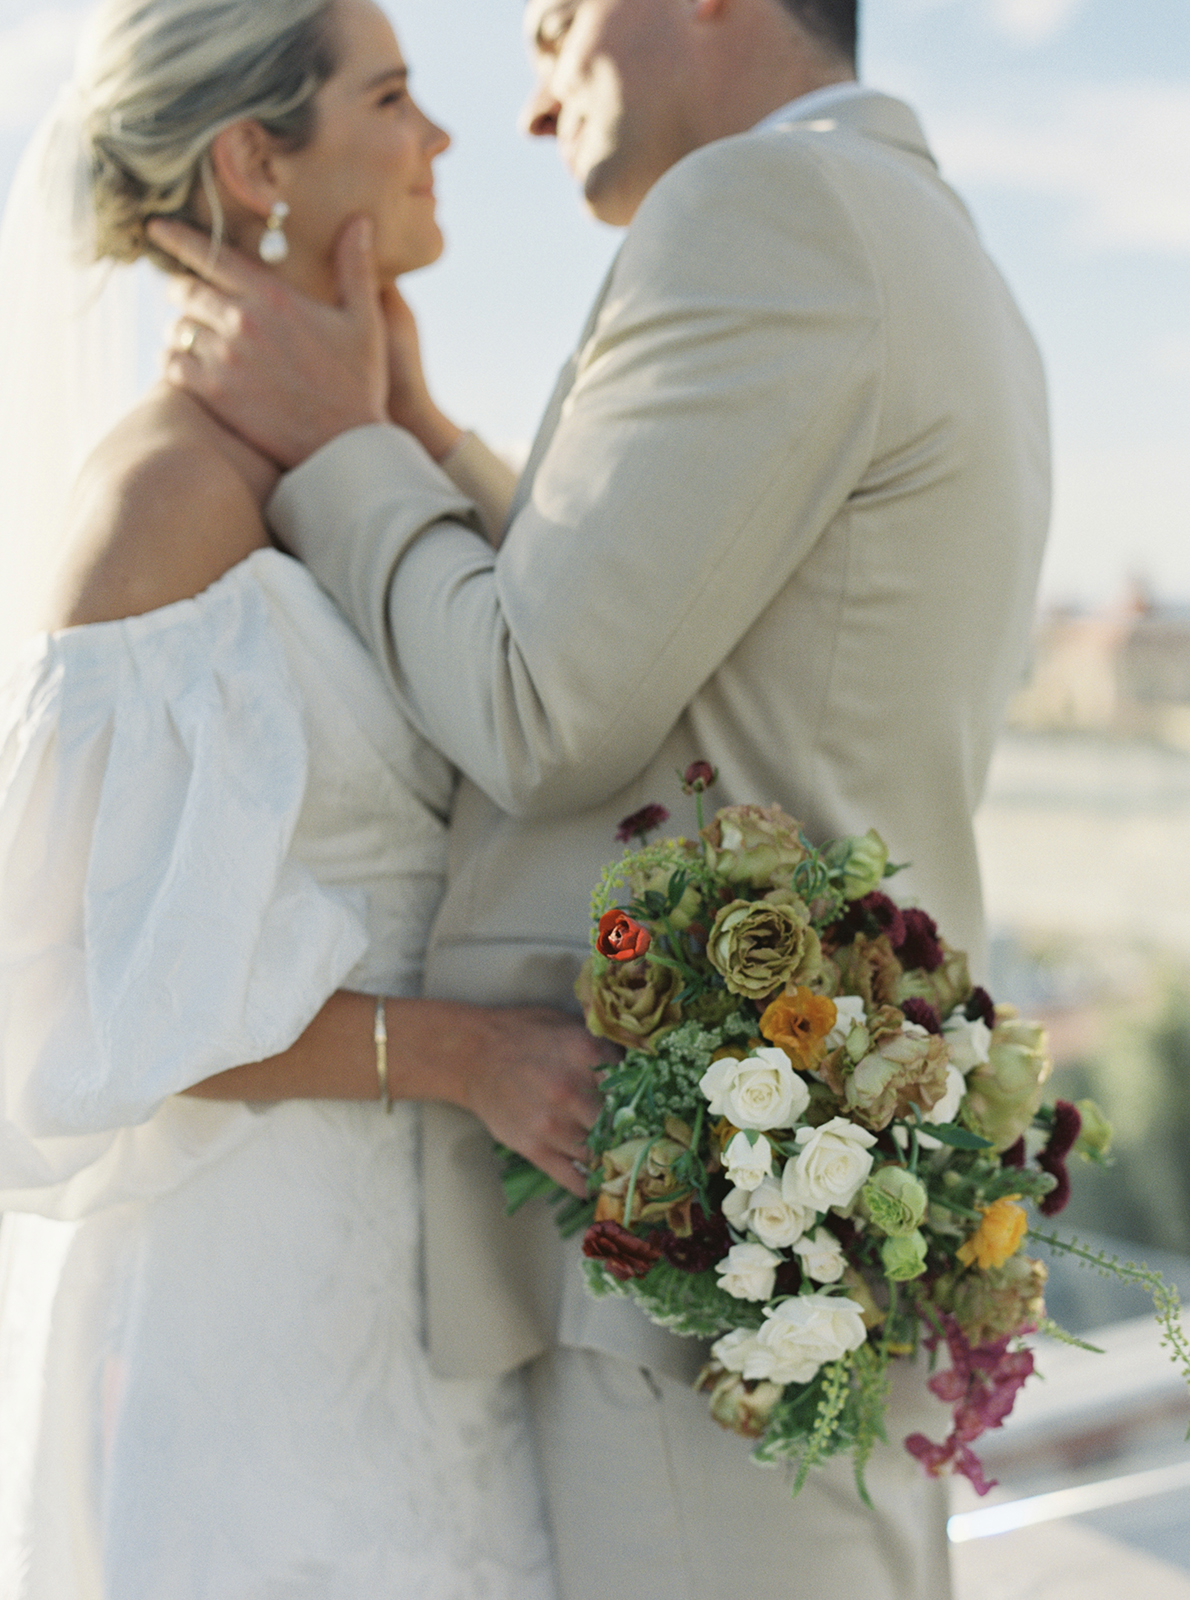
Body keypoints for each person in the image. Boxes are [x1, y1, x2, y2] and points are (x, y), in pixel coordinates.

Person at [151, 0, 1051, 1593]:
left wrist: (338, 445)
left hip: (686, 1285)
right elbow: (694, 623)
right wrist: (426, 441)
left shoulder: (761, 207)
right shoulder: (920, 236)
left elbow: (539, 707)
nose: (524, 102)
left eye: (554, 20)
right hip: (799, 1254)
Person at [0, 1, 610, 1594]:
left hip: (430, 1305)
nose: (447, 137)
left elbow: (554, 685)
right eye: (396, 97)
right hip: (250, 1305)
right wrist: (468, 1055)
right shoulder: (160, 501)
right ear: (254, 159)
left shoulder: (360, 462)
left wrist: (396, 422)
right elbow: (77, 1008)